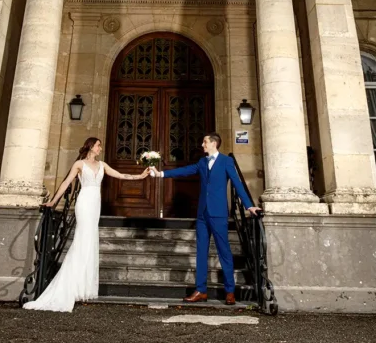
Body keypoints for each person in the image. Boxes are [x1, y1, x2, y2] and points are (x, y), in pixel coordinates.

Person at [23, 137, 150, 312]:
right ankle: (70, 284)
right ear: (91, 146)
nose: (100, 148)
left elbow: (121, 176)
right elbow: (67, 183)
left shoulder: (103, 165)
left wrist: (140, 176)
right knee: (82, 239)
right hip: (84, 202)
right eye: (98, 145)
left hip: (95, 204)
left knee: (90, 241)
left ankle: (81, 285)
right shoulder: (79, 165)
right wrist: (53, 202)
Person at [149, 133, 259, 305]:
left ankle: (230, 291)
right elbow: (185, 171)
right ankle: (201, 290)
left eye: (205, 142)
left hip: (219, 214)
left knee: (224, 252)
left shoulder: (226, 161)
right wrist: (160, 174)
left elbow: (237, 183)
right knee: (201, 252)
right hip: (202, 214)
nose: (202, 144)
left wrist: (248, 205)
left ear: (214, 143)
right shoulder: (202, 162)